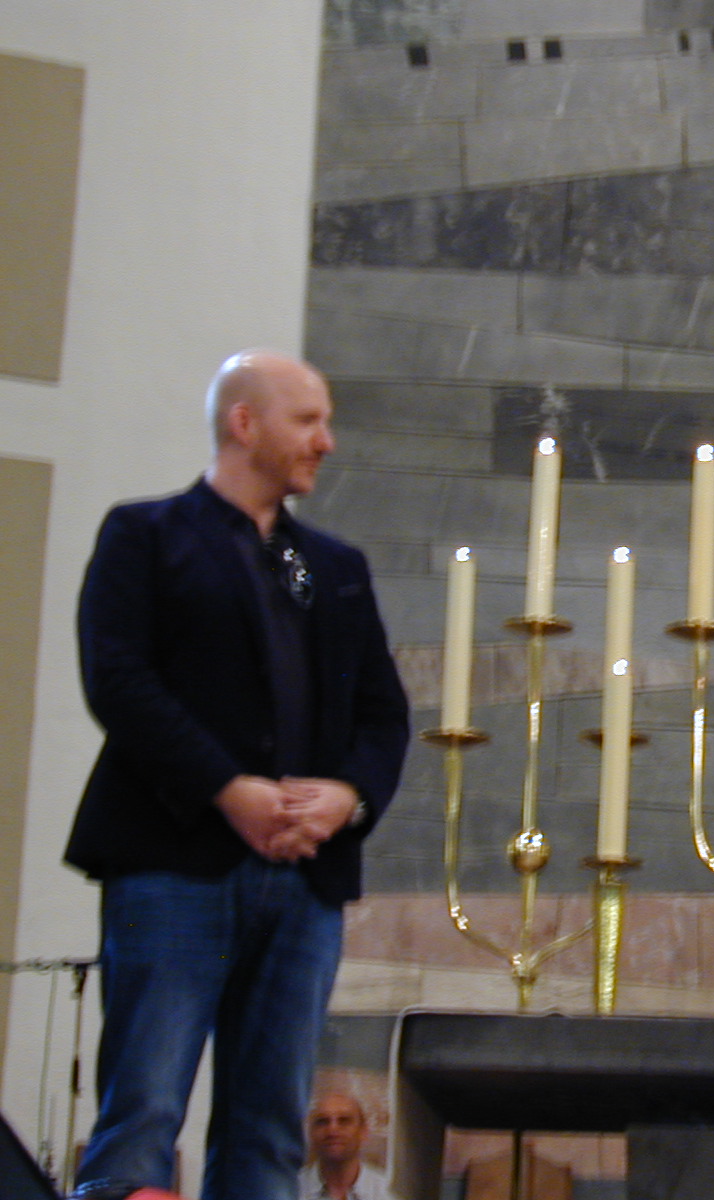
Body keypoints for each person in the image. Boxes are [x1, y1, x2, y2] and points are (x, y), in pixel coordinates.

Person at [66, 350, 411, 1200]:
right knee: (143, 1107)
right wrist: (229, 789)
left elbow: (383, 714)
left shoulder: (333, 566)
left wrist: (348, 797)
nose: (327, 442)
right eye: (309, 420)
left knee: (270, 1126)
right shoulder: (145, 535)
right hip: (173, 861)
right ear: (244, 423)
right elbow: (119, 680)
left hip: (305, 877)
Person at [299, 1093, 398, 1200]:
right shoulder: (291, 1189)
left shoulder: (389, 1194)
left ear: (363, 1132)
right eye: (323, 1121)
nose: (332, 1130)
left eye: (344, 1121)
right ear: (311, 1133)